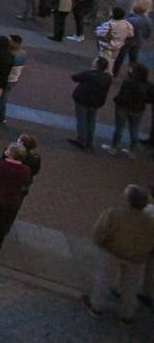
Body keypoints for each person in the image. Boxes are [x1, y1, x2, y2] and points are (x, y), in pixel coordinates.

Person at [82, 185, 154, 325]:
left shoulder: (114, 213)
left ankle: (96, 306)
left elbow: (100, 231)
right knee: (130, 287)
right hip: (137, 257)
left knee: (103, 279)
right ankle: (126, 314)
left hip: (112, 252)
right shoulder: (149, 222)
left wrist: (99, 243)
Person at [102, 63, 149, 157]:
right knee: (134, 129)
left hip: (123, 107)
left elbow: (122, 95)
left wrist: (117, 100)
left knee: (119, 128)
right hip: (138, 109)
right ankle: (132, 151)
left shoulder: (128, 82)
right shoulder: (147, 85)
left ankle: (114, 148)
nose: (129, 69)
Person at [70, 56, 113, 151]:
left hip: (83, 99)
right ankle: (90, 141)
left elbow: (75, 77)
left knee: (82, 120)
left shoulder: (89, 74)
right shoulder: (107, 77)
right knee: (91, 121)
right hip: (96, 102)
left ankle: (81, 140)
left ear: (97, 65)